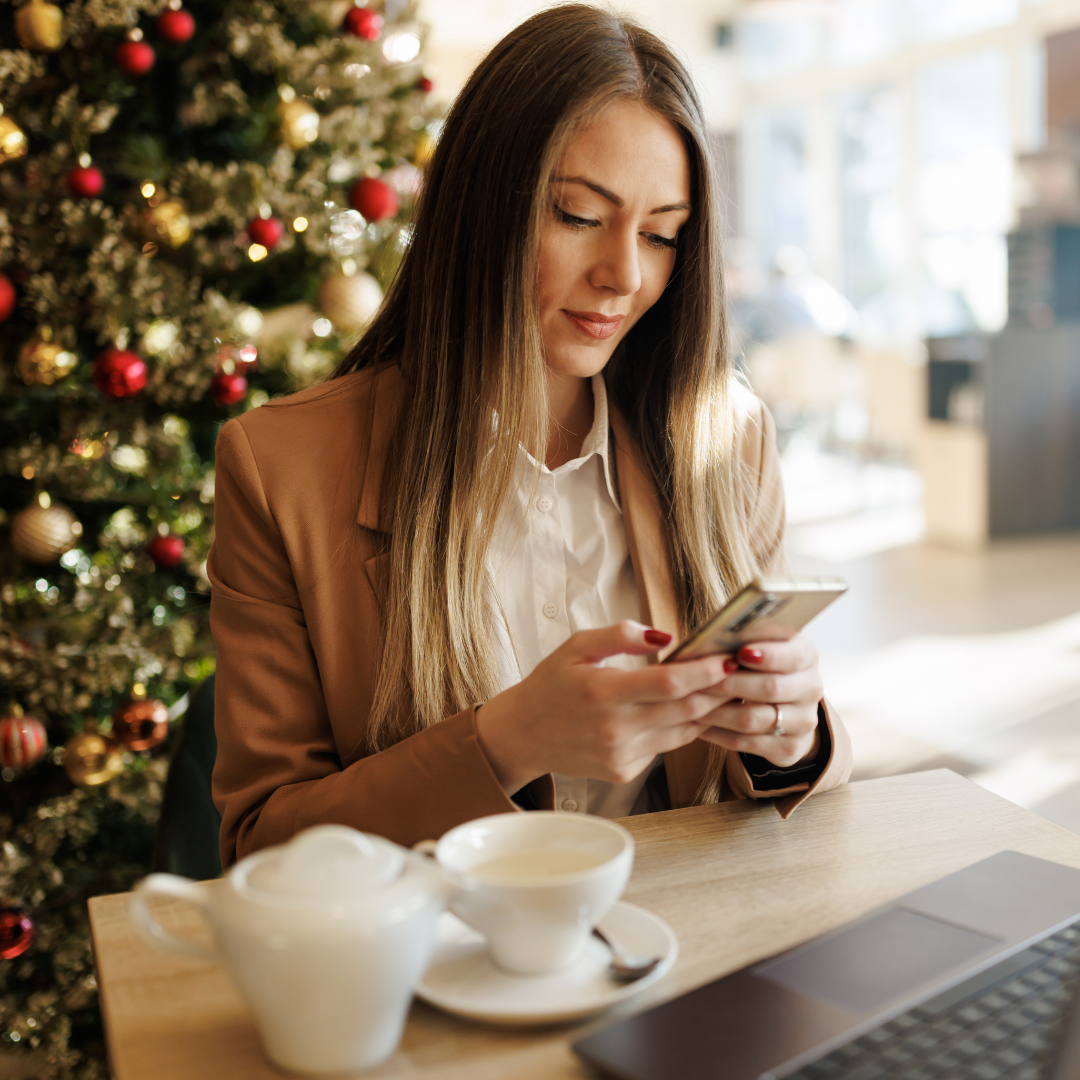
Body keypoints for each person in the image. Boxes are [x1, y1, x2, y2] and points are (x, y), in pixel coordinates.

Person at [209, 4, 852, 868]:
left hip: (687, 956)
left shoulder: (726, 442)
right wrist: (507, 740)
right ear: (483, 208)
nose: (625, 274)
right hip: (449, 972)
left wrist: (792, 737)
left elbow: (787, 789)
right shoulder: (282, 469)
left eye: (662, 234)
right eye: (579, 216)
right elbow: (263, 845)